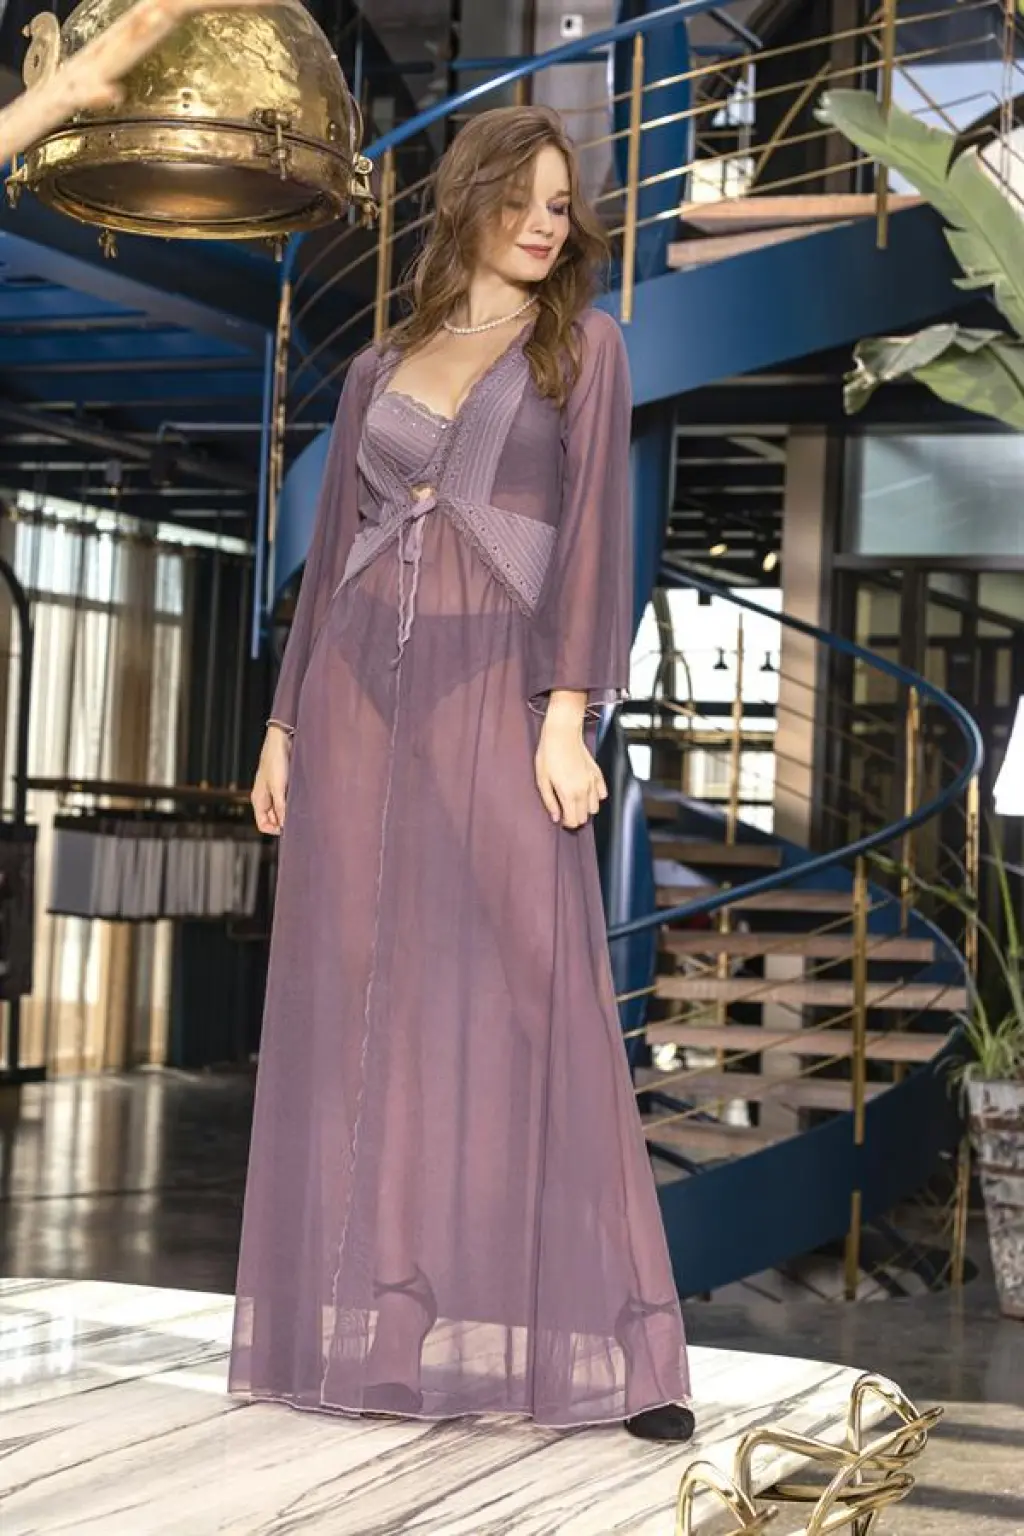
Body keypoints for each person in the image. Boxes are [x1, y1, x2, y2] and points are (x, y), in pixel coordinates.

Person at [228, 103, 694, 1444]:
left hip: (499, 686)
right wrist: (283, 726)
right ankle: (387, 1320)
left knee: (552, 994)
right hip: (356, 693)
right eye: (523, 198)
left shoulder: (584, 349)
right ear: (469, 200)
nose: (546, 222)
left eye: (561, 203)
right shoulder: (380, 364)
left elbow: (596, 534)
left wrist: (567, 713)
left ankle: (637, 1348)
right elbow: (333, 555)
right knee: (368, 1000)